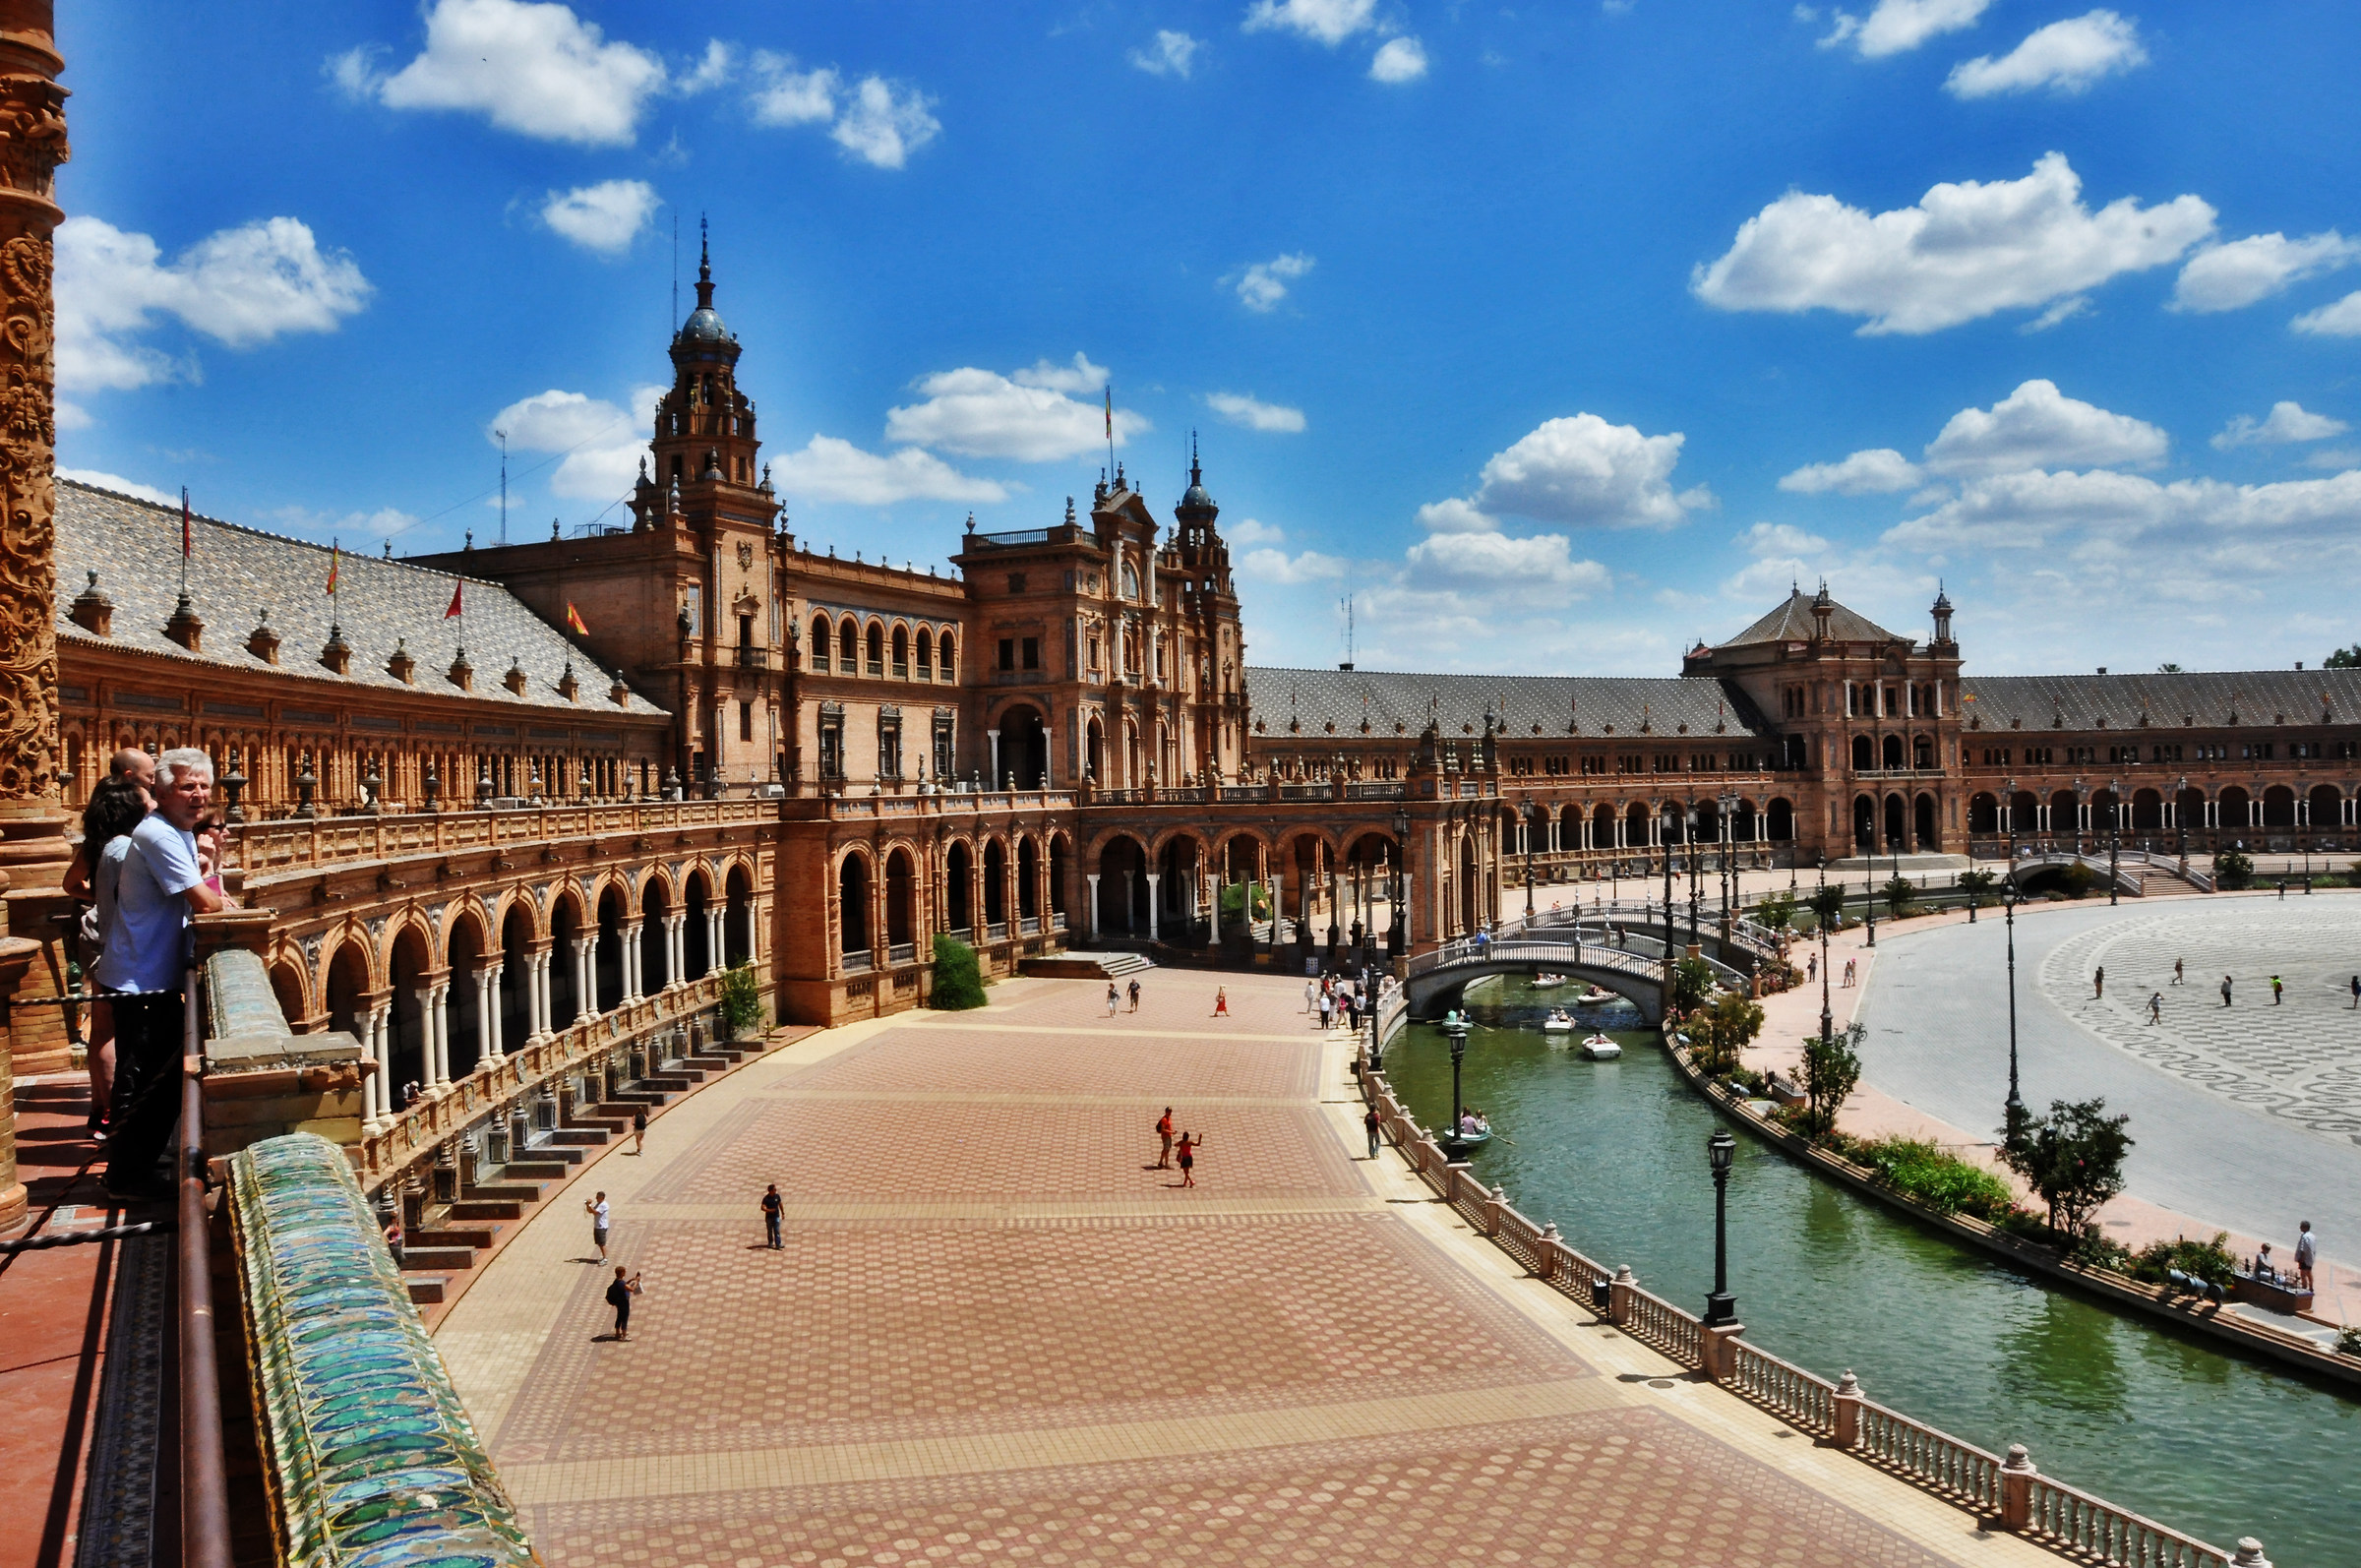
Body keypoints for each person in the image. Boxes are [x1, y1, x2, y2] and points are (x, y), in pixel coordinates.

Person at [97, 749, 225, 1200]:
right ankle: (126, 1177)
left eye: (204, 786)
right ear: (161, 789)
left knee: (159, 1076)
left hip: (150, 973)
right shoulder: (161, 836)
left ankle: (134, 1166)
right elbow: (206, 903)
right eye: (187, 786)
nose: (199, 795)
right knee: (148, 1078)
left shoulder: (177, 832)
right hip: (142, 978)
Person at [74, 778, 150, 1139]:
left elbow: (71, 885)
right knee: (112, 1032)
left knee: (103, 1030)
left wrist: (98, 902)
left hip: (103, 943)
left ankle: (102, 1109)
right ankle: (112, 1116)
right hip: (117, 951)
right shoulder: (122, 850)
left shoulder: (99, 847)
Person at [605, 1265, 642, 1341]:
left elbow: (625, 1285)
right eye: (624, 1271)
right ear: (622, 1273)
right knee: (624, 1318)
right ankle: (624, 1335)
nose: (625, 1273)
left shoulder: (617, 1281)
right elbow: (631, 1289)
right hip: (623, 1303)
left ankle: (617, 1333)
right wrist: (637, 1281)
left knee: (619, 1317)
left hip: (618, 1302)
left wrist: (632, 1280)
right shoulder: (621, 1283)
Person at [585, 1190, 611, 1261]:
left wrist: (590, 1205)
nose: (596, 1198)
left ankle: (605, 1258)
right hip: (597, 1226)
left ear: (601, 1198)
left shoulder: (604, 1205)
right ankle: (603, 1256)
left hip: (601, 1226)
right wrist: (588, 1205)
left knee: (602, 1243)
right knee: (599, 1243)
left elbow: (596, 1212)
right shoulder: (598, 1204)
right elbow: (590, 1211)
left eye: (597, 1197)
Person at [2294, 1222, 2317, 1292]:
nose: (2300, 1228)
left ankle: (2304, 1286)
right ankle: (2311, 1286)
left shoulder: (2305, 1237)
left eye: (2301, 1226)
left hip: (2305, 1259)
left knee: (2303, 1273)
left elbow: (2304, 1248)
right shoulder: (2312, 1236)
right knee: (2309, 1272)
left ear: (2305, 1227)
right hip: (2310, 1258)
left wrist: (2302, 1257)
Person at [761, 1182, 783, 1249]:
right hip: (769, 1218)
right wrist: (770, 1210)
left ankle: (778, 1244)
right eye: (774, 1189)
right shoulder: (766, 1199)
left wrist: (783, 1213)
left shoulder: (777, 1196)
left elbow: (780, 1204)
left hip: (776, 1216)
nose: (775, 1190)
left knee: (777, 1230)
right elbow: (762, 1207)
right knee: (770, 1231)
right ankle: (770, 1243)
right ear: (770, 1190)